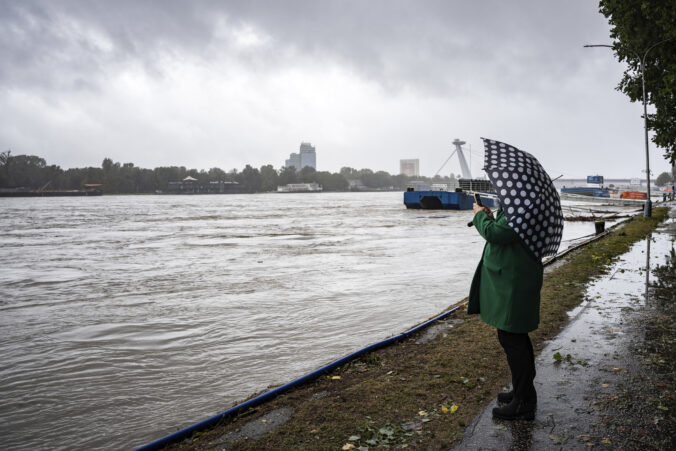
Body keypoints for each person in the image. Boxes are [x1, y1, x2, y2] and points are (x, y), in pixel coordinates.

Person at [467, 203, 544, 421]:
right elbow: (503, 228)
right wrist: (491, 216)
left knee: (512, 337)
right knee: (515, 336)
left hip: (515, 282)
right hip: (515, 278)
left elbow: (496, 233)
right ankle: (524, 391)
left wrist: (480, 217)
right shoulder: (521, 206)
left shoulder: (520, 207)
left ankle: (524, 402)